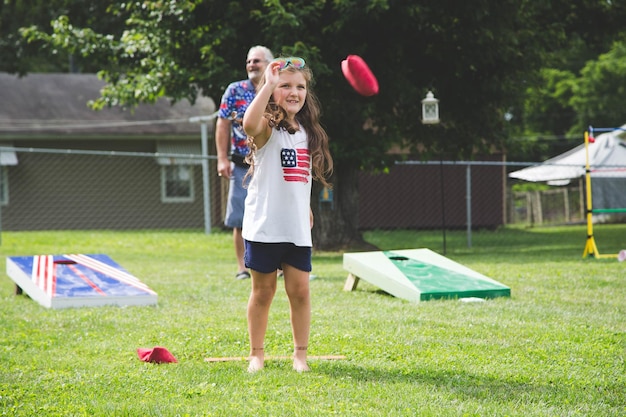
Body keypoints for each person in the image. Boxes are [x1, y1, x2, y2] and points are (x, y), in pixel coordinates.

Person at [241, 56, 333, 372]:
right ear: (273, 90)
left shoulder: (308, 131)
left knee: (300, 292)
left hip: (295, 228)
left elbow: (297, 176)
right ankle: (257, 354)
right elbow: (248, 125)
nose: (294, 92)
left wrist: (304, 206)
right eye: (285, 86)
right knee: (263, 292)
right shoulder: (267, 128)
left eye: (300, 86)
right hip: (265, 226)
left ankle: (300, 356)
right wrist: (267, 84)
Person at [215, 45, 274, 280]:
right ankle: (242, 268)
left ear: (269, 64)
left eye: (257, 61)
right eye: (249, 61)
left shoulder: (277, 89)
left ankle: (276, 266)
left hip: (269, 164)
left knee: (272, 213)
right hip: (241, 164)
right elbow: (222, 123)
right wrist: (221, 158)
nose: (251, 65)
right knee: (240, 218)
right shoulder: (235, 90)